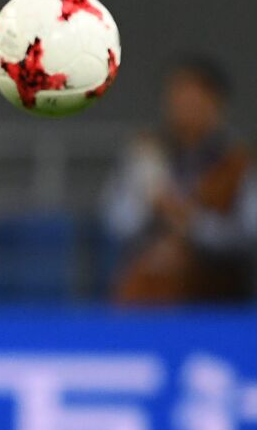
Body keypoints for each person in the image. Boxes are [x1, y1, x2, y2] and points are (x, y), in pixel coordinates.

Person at [105, 57, 254, 304]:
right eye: (178, 96)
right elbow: (116, 221)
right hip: (149, 271)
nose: (185, 106)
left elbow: (247, 233)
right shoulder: (146, 153)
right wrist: (151, 205)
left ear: (215, 103)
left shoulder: (237, 160)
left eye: (195, 97)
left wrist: (192, 223)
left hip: (218, 282)